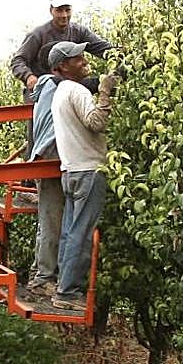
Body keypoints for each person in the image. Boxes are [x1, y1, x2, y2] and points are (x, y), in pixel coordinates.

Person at [46, 41, 119, 314]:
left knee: (69, 231)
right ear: (62, 67)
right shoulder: (75, 90)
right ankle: (68, 293)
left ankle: (62, 287)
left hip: (71, 170)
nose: (83, 59)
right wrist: (105, 93)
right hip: (89, 170)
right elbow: (96, 123)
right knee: (81, 233)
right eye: (76, 57)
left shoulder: (61, 92)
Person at [10, 0, 112, 153]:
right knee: (40, 133)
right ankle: (34, 166)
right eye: (59, 10)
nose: (64, 15)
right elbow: (18, 60)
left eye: (67, 10)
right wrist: (28, 76)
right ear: (51, 10)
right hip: (43, 90)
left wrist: (127, 58)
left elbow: (104, 49)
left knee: (77, 124)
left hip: (67, 85)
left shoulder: (78, 31)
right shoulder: (38, 35)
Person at [20, 70, 62, 300]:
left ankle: (38, 273)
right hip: (49, 159)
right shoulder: (58, 87)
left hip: (43, 158)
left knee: (47, 220)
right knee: (51, 222)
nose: (85, 64)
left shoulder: (43, 89)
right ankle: (43, 278)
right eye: (79, 60)